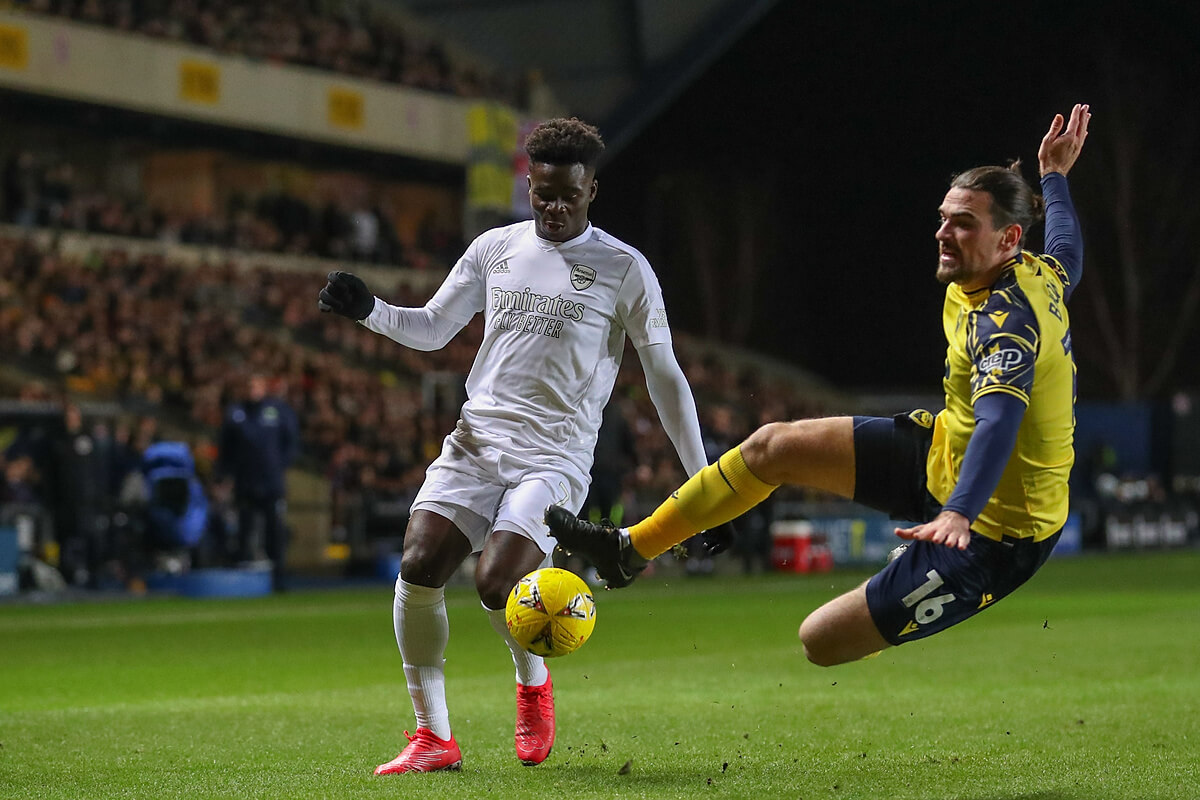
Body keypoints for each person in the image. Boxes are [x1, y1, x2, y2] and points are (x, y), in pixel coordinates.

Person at [547, 104, 1091, 667]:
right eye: (944, 217)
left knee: (821, 641)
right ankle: (627, 550)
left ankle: (894, 601)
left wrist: (958, 512)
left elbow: (1000, 421)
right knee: (773, 446)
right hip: (943, 456)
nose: (944, 233)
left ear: (1009, 239)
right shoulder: (1032, 272)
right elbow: (1068, 252)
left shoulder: (1007, 320)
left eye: (963, 224)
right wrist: (1054, 176)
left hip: (996, 533)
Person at [317, 117, 723, 774]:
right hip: (476, 442)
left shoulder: (624, 269)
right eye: (543, 194)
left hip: (554, 456)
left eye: (569, 195)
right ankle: (433, 738)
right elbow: (432, 328)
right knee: (419, 564)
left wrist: (703, 482)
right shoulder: (494, 248)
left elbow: (666, 378)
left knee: (496, 582)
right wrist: (371, 310)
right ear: (528, 186)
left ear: (593, 188)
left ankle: (533, 687)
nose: (555, 208)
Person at [216, 373, 299, 590]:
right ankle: (241, 581)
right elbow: (225, 448)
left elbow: (291, 441)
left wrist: (280, 465)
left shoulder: (277, 410)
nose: (252, 389)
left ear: (263, 387)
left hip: (271, 483)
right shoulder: (235, 412)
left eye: (256, 385)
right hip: (245, 482)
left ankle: (278, 579)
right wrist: (223, 476)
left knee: (275, 532)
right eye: (249, 385)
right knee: (244, 529)